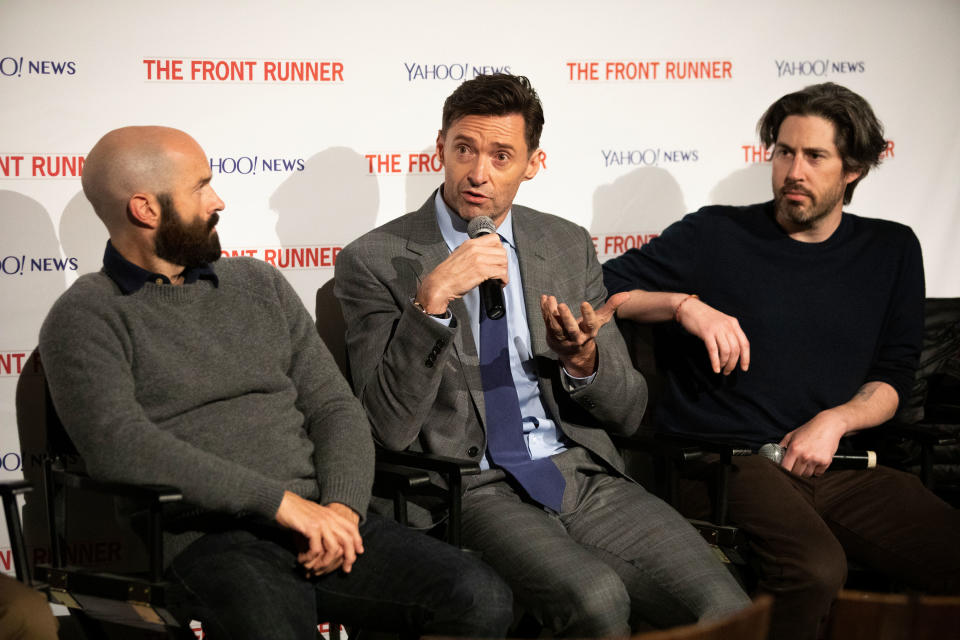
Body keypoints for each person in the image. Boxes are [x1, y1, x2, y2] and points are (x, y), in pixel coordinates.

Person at [38, 126, 512, 640]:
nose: (217, 200)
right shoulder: (86, 314)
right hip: (207, 540)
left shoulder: (257, 283)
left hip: (324, 521)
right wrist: (283, 506)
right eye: (200, 188)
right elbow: (120, 446)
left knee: (478, 596)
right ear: (146, 209)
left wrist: (342, 509)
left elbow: (334, 408)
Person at [335, 74, 749, 636]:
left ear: (532, 163)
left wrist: (585, 365)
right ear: (440, 148)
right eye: (464, 150)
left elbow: (628, 411)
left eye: (501, 155)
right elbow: (385, 429)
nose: (478, 173)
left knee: (728, 611)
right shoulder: (374, 260)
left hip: (579, 471)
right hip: (472, 487)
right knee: (597, 602)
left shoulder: (564, 243)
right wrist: (428, 306)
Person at [603, 82, 960, 640]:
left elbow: (892, 377)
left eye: (815, 156)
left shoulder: (892, 250)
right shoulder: (716, 233)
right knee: (815, 569)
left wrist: (836, 420)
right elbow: (603, 289)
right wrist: (683, 306)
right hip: (726, 461)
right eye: (784, 152)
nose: (794, 170)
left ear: (854, 169)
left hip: (836, 464)